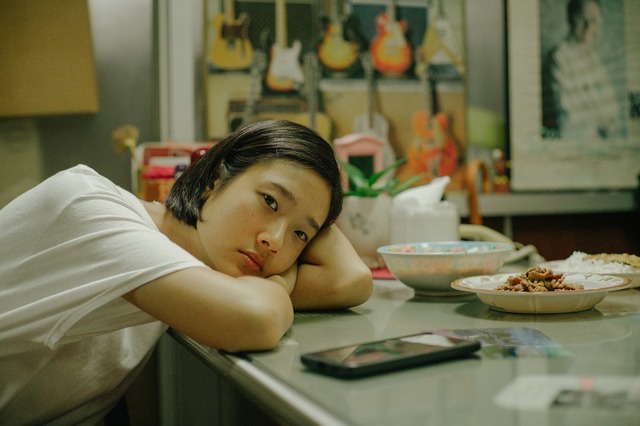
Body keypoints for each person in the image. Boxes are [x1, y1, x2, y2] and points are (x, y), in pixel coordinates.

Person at [0, 120, 373, 424]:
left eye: (300, 235)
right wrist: (275, 279)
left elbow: (351, 280)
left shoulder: (199, 264)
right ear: (215, 178)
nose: (273, 242)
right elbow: (252, 319)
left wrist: (272, 272)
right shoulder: (88, 206)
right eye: (269, 201)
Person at [541, 0, 622, 140]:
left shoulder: (594, 59)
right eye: (581, 19)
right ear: (570, 19)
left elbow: (613, 113)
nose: (589, 26)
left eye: (594, 21)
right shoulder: (558, 59)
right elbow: (565, 121)